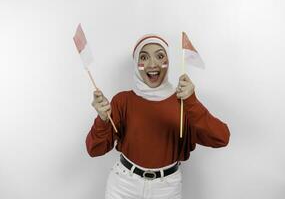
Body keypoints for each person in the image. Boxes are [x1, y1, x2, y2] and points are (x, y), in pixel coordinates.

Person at [85, 34, 230, 199]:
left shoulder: (184, 101)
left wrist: (192, 102)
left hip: (167, 188)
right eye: (144, 57)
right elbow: (94, 149)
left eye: (160, 56)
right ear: (135, 63)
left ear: (168, 61)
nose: (152, 64)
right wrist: (102, 120)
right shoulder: (122, 101)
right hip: (124, 185)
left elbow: (221, 138)